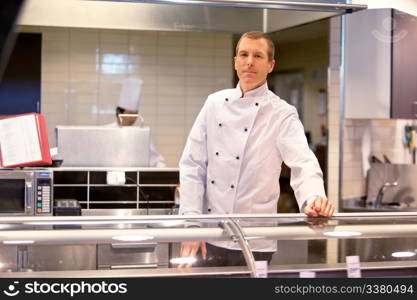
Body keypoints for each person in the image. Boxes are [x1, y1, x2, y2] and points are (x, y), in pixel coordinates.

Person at [178, 31, 334, 267]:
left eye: (258, 56)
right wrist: (191, 224)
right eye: (243, 54)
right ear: (235, 61)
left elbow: (303, 162)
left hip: (255, 239)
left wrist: (314, 198)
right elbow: (193, 164)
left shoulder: (281, 113)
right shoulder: (214, 103)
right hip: (210, 234)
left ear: (270, 65)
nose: (249, 62)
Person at [107, 75, 166, 168]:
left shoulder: (140, 134)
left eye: (136, 114)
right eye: (130, 113)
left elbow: (157, 160)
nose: (133, 118)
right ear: (119, 112)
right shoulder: (107, 131)